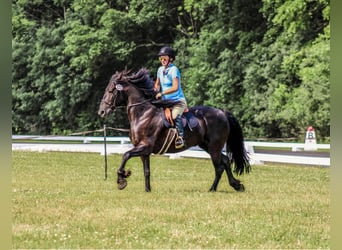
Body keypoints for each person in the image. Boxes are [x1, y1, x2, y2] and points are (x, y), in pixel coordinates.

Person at [154, 46, 187, 149]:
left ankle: (181, 138)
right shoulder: (160, 70)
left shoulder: (174, 70)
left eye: (165, 58)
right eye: (161, 59)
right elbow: (157, 84)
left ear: (171, 59)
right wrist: (154, 90)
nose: (162, 61)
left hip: (177, 101)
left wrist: (162, 93)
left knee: (174, 116)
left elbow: (175, 87)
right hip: (165, 102)